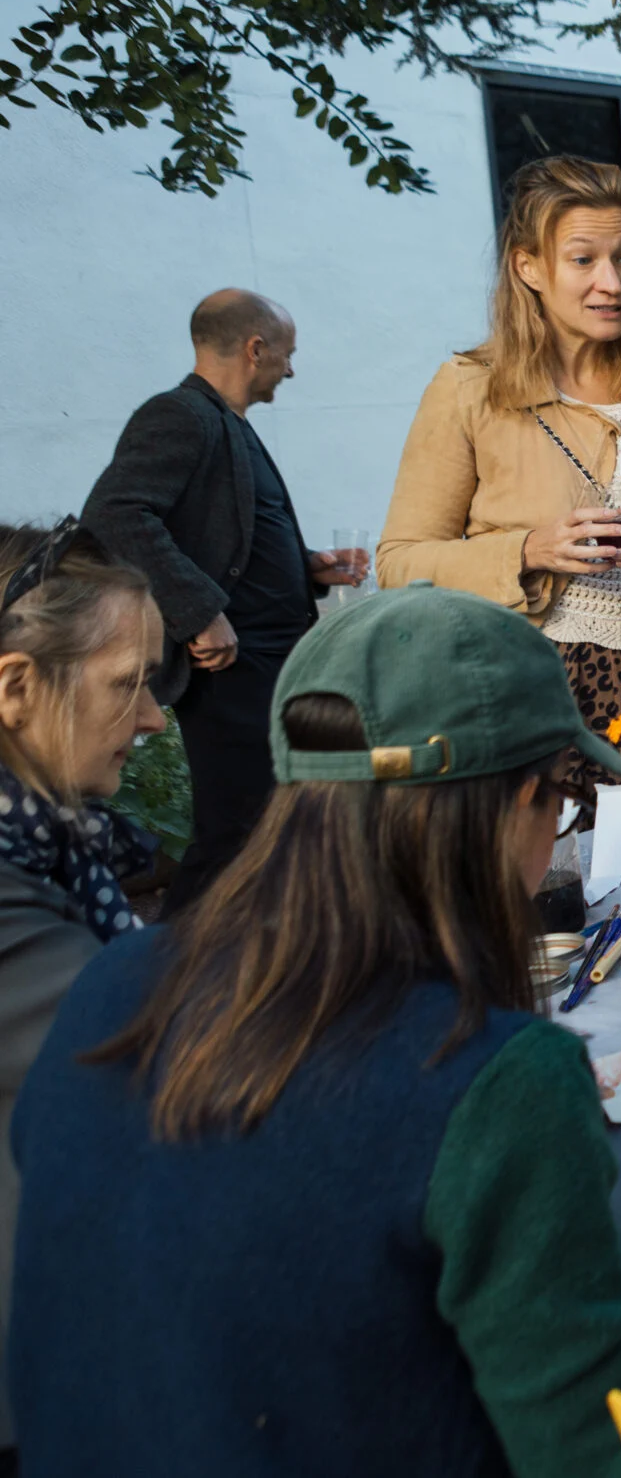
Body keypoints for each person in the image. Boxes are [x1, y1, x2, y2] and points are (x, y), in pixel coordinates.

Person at [10, 585, 621, 1476]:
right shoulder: (491, 1079)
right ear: (510, 804)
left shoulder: (113, 983)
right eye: (560, 796)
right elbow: (606, 1454)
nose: (559, 826)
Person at [378, 155, 621, 810]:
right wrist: (528, 550)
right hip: (524, 689)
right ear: (529, 268)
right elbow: (400, 561)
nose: (612, 282)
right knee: (550, 883)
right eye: (583, 260)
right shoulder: (469, 388)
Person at [81, 290, 368, 909]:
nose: (291, 370)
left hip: (267, 663)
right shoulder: (179, 414)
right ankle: (164, 978)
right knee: (238, 834)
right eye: (286, 355)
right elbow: (115, 513)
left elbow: (226, 538)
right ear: (254, 348)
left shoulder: (226, 421)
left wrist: (309, 566)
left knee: (277, 826)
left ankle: (259, 969)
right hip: (231, 669)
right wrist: (197, 613)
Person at [0, 523, 164, 1459]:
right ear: (18, 688)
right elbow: (142, 1037)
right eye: (126, 684)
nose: (151, 719)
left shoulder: (50, 841)